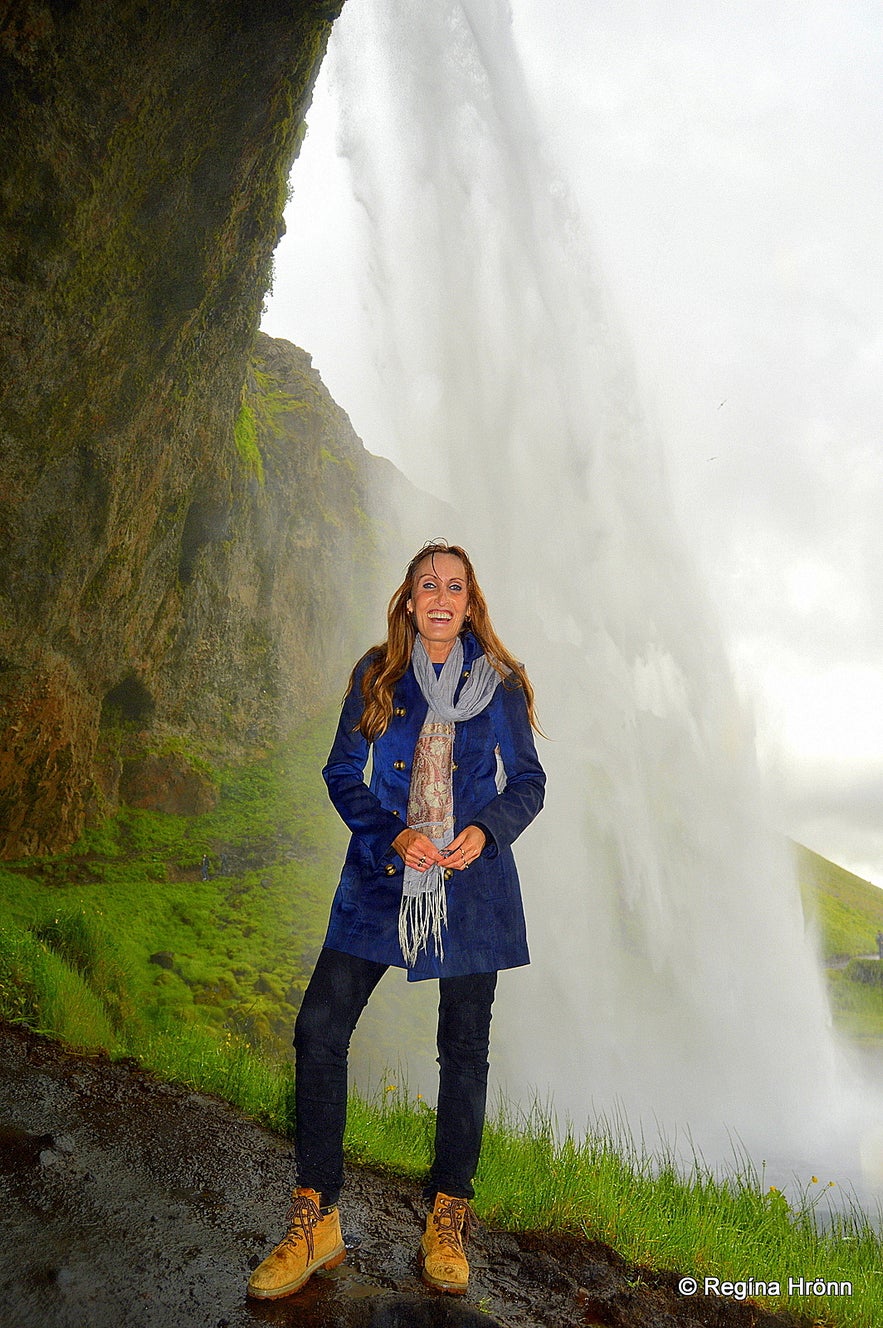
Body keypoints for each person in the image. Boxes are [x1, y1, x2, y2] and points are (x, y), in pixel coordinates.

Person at [247, 540, 545, 1302]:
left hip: (470, 888)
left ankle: (448, 1216)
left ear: (470, 603)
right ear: (409, 600)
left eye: (454, 586)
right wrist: (393, 832)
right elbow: (341, 772)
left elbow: (529, 781)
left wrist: (486, 829)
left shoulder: (502, 684)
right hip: (385, 878)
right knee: (319, 1028)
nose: (440, 597)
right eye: (426, 585)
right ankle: (315, 1219)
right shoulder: (375, 673)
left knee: (464, 1050)